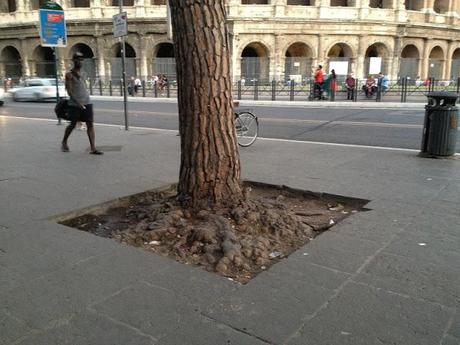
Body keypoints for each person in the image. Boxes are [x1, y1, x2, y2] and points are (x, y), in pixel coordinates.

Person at [61, 52, 103, 155]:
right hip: (74, 104)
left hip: (87, 102)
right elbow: (69, 90)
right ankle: (64, 141)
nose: (79, 61)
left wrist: (84, 100)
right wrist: (77, 101)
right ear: (73, 60)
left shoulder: (84, 73)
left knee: (90, 124)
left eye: (81, 59)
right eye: (77, 59)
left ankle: (93, 148)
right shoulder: (69, 74)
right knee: (72, 124)